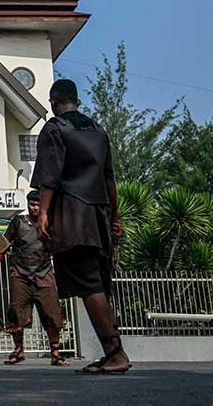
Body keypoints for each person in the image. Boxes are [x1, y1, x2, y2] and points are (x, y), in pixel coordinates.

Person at [31, 79, 130, 374]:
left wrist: (43, 214)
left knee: (89, 286)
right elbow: (110, 179)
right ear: (78, 101)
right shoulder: (99, 131)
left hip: (73, 216)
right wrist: (114, 217)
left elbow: (50, 176)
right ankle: (112, 351)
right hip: (100, 214)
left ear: (53, 101)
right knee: (97, 283)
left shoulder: (54, 128)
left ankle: (115, 353)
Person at [0, 190, 68, 366]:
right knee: (17, 312)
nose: (34, 208)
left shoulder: (51, 223)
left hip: (44, 272)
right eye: (32, 204)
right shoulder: (18, 222)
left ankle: (55, 353)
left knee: (52, 314)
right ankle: (18, 351)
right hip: (20, 272)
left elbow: (61, 244)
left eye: (38, 205)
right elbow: (4, 243)